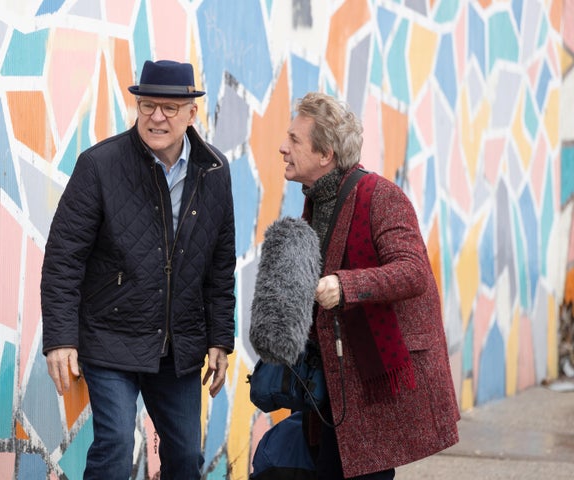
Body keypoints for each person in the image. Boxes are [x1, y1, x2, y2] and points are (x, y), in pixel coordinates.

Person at [40, 59, 236, 480]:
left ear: (190, 113)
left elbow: (220, 263)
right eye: (147, 105)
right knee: (115, 446)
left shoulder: (215, 172)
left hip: (179, 345)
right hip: (110, 335)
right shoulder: (100, 165)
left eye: (168, 108)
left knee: (185, 458)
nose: (156, 117)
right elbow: (63, 257)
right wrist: (59, 338)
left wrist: (221, 337)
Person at [277, 92, 460, 479]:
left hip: (373, 377)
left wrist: (345, 286)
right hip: (334, 379)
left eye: (294, 139)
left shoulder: (382, 196)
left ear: (325, 154)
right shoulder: (316, 202)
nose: (282, 147)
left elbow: (413, 272)